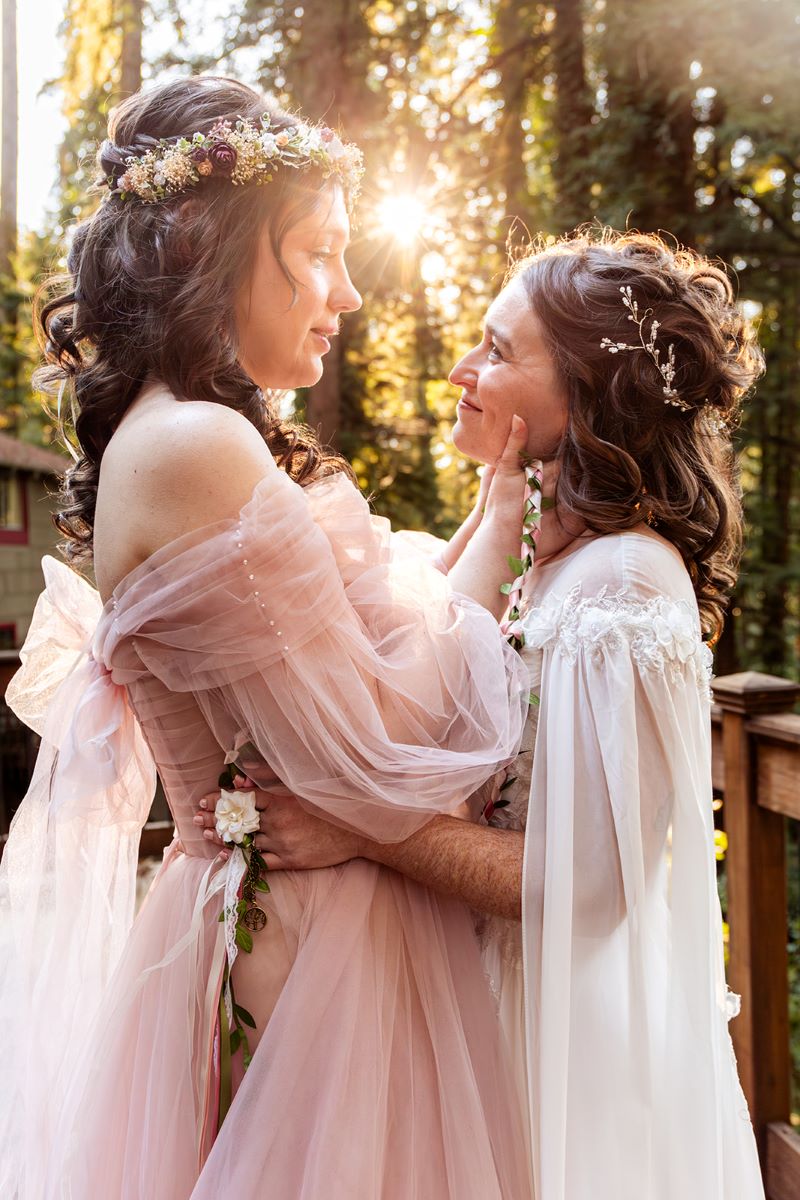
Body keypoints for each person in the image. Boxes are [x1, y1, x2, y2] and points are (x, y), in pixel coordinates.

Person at [0, 76, 540, 1200]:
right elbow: (372, 747)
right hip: (308, 961)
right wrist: (493, 538)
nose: (345, 292)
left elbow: (332, 685)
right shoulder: (195, 444)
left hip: (278, 932)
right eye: (322, 251)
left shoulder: (189, 436)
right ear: (206, 236)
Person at [201, 230, 768, 1199]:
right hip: (449, 994)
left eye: (499, 351)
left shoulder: (620, 587)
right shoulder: (533, 557)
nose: (462, 369)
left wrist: (364, 830)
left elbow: (592, 885)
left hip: (542, 1038)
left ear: (592, 391)